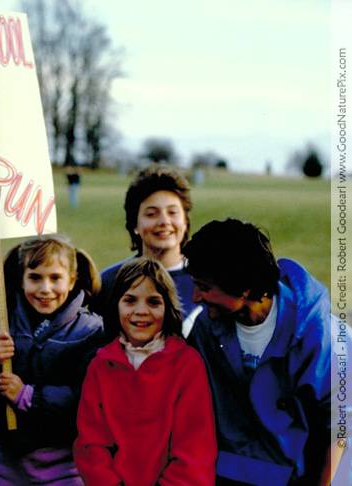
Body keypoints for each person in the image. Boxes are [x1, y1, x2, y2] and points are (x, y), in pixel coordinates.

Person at [184, 219, 331, 485]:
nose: (195, 297)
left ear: (244, 288)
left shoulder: (316, 334)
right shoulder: (206, 327)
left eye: (204, 287)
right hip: (222, 472)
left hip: (296, 477)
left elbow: (341, 428)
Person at [0, 235, 103, 485]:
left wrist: (28, 396)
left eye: (55, 278)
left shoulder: (90, 331)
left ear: (71, 280)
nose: (45, 289)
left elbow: (88, 399)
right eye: (35, 277)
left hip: (65, 468)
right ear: (21, 279)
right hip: (5, 464)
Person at [73, 257, 216, 485]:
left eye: (153, 302)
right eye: (130, 301)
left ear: (168, 308)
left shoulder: (187, 364)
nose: (141, 311)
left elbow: (194, 449)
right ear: (116, 305)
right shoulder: (101, 366)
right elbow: (91, 444)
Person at [91, 164, 201, 340]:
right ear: (134, 224)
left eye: (172, 212)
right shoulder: (109, 282)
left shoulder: (206, 281)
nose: (164, 221)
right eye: (151, 214)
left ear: (185, 221)